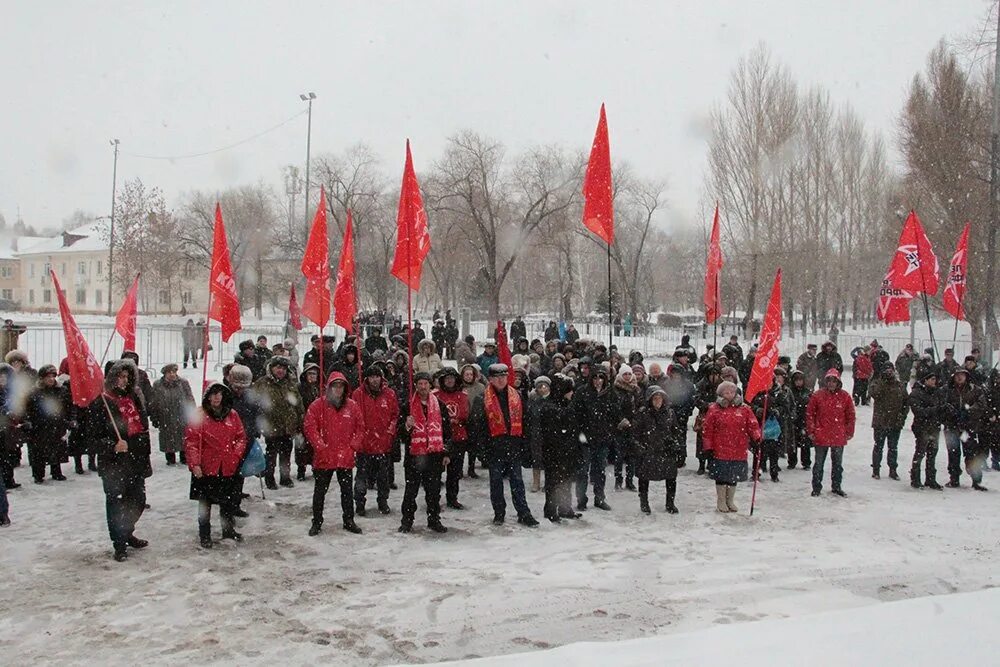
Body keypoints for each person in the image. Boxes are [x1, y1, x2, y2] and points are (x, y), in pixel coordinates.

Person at [90, 359, 153, 562]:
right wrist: (112, 445)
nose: (124, 381)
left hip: (135, 457)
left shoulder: (133, 396)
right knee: (117, 503)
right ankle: (119, 543)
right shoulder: (102, 402)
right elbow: (91, 438)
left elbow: (143, 425)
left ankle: (126, 532)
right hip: (114, 463)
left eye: (127, 376)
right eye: (120, 376)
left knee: (138, 501)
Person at [471, 364, 539, 526]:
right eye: (497, 377)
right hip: (494, 448)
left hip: (514, 446)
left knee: (517, 482)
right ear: (491, 379)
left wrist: (524, 444)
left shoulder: (516, 396)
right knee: (496, 483)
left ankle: (523, 512)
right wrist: (482, 450)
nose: (501, 380)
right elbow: (476, 427)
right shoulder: (482, 399)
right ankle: (499, 513)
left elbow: (526, 421)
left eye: (503, 377)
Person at [185, 383, 247, 548]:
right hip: (206, 466)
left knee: (227, 501)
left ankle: (228, 530)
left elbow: (241, 437)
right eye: (213, 394)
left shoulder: (232, 414)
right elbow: (192, 442)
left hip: (227, 465)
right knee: (205, 503)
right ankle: (204, 534)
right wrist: (195, 464)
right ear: (207, 396)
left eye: (219, 394)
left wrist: (235, 455)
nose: (216, 397)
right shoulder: (199, 415)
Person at [304, 372, 364, 536]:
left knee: (347, 491)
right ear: (329, 388)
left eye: (341, 386)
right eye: (335, 386)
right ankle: (317, 521)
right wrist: (320, 445)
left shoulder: (352, 406)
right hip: (325, 456)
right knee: (320, 492)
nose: (338, 389)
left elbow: (360, 427)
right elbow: (310, 427)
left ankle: (349, 520)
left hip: (345, 456)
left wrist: (353, 446)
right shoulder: (318, 406)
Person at [398, 372, 450, 534]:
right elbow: (401, 435)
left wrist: (447, 453)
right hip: (414, 455)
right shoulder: (407, 406)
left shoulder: (440, 406)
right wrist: (407, 426)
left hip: (434, 455)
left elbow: (447, 432)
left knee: (433, 491)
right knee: (410, 491)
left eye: (425, 384)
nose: (422, 387)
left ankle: (434, 519)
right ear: (416, 386)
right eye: (419, 384)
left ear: (430, 385)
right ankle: (407, 521)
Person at [702, 381, 760, 512]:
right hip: (720, 449)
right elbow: (707, 429)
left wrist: (757, 437)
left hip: (738, 448)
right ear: (721, 394)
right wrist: (708, 447)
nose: (730, 394)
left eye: (732, 392)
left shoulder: (744, 409)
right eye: (726, 392)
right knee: (722, 476)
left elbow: (753, 424)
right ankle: (721, 500)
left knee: (734, 476)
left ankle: (730, 500)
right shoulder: (714, 409)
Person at [352, 365, 399, 516]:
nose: (374, 380)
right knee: (361, 478)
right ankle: (359, 502)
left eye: (377, 377)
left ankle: (383, 501)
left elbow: (394, 415)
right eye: (371, 377)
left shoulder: (390, 394)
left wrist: (389, 432)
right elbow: (354, 418)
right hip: (364, 445)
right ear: (367, 378)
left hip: (383, 444)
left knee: (383, 478)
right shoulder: (358, 394)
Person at [572, 366, 621, 512]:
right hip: (586, 439)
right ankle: (581, 499)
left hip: (603, 438)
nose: (598, 381)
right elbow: (576, 414)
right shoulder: (582, 392)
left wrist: (610, 429)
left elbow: (616, 414)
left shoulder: (610, 393)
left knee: (600, 470)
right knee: (583, 471)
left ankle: (599, 498)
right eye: (595, 377)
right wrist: (580, 435)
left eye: (601, 377)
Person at [253, 356, 304, 490]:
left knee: (286, 453)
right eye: (278, 367)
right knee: (271, 453)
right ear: (272, 368)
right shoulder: (262, 383)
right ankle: (269, 478)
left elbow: (298, 403)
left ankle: (285, 478)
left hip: (288, 425)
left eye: (283, 368)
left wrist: (300, 420)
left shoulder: (290, 384)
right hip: (271, 425)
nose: (280, 370)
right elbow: (254, 403)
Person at [806, 369, 855, 497]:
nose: (831, 384)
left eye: (834, 381)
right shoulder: (818, 395)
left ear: (838, 382)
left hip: (838, 436)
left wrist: (849, 432)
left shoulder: (845, 397)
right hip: (821, 435)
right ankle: (816, 487)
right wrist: (811, 431)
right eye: (829, 381)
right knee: (818, 464)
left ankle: (836, 486)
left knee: (837, 465)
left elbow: (851, 415)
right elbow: (810, 414)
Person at [632, 385, 680, 514]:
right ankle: (644, 502)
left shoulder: (670, 413)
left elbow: (675, 431)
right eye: (655, 398)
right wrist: (640, 448)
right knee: (644, 478)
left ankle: (670, 503)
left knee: (671, 478)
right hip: (648, 450)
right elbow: (635, 433)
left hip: (666, 450)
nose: (658, 401)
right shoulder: (642, 413)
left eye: (660, 398)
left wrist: (675, 445)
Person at [539, 375, 581, 522]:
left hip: (566, 451)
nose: (572, 394)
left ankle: (565, 508)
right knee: (554, 482)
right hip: (555, 452)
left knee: (566, 481)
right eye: (569, 391)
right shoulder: (551, 407)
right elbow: (554, 432)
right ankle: (551, 510)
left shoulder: (564, 405)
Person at [23, 365, 69, 483]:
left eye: (53, 376)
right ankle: (38, 474)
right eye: (48, 376)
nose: (51, 379)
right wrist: (27, 421)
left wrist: (70, 420)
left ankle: (56, 471)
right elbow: (26, 409)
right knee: (39, 453)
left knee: (56, 450)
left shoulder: (61, 390)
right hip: (39, 427)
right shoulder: (34, 392)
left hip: (56, 425)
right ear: (42, 378)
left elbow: (68, 407)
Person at [433, 367, 471, 509]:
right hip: (439, 438)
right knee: (436, 472)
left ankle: (452, 497)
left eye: (452, 378)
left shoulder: (463, 395)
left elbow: (466, 415)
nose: (449, 381)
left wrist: (458, 421)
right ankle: (433, 498)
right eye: (447, 378)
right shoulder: (435, 395)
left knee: (454, 472)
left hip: (458, 437)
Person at [941, 367, 983, 488]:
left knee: (971, 452)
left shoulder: (974, 390)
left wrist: (968, 412)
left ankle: (976, 480)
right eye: (957, 375)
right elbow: (941, 406)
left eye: (962, 375)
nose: (959, 378)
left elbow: (981, 404)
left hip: (967, 428)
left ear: (966, 376)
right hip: (952, 427)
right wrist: (950, 415)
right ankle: (954, 478)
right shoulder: (946, 390)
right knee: (953, 453)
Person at [750, 368, 793, 483]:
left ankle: (774, 473)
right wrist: (758, 410)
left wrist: (777, 411)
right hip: (760, 426)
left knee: (774, 453)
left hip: (774, 428)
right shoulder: (757, 393)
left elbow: (785, 407)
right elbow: (751, 406)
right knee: (758, 451)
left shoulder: (779, 393)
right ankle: (756, 472)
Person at [150, 364, 195, 466]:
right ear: (165, 374)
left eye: (174, 372)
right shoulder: (158, 385)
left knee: (183, 436)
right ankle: (170, 458)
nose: (172, 374)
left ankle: (184, 457)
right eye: (169, 372)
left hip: (181, 415)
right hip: (166, 417)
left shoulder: (183, 383)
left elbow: (190, 399)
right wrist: (154, 417)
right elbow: (154, 402)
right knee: (167, 437)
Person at [868, 366, 908, 480]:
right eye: (887, 370)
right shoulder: (878, 383)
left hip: (895, 421)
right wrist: (882, 381)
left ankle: (893, 469)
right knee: (878, 446)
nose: (889, 373)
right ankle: (876, 469)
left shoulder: (900, 386)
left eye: (891, 370)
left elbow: (906, 403)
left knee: (893, 447)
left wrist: (902, 417)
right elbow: (874, 393)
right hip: (880, 421)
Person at [909, 368, 946, 489]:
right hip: (922, 427)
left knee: (932, 454)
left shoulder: (937, 393)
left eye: (935, 379)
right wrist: (935, 410)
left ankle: (930, 479)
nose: (934, 382)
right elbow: (918, 411)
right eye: (931, 379)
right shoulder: (916, 393)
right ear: (925, 380)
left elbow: (941, 408)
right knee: (920, 453)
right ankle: (915, 478)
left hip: (934, 427)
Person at [612, 366, 639, 491]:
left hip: (633, 426)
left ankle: (630, 480)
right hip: (620, 426)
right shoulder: (616, 389)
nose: (627, 376)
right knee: (619, 455)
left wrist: (636, 420)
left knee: (632, 456)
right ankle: (618, 481)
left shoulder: (636, 389)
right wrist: (621, 420)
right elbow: (614, 408)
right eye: (625, 374)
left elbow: (640, 405)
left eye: (629, 374)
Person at [295, 364, 322, 480]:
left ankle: (316, 468)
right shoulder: (300, 388)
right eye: (309, 374)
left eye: (314, 374)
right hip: (303, 421)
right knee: (301, 447)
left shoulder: (320, 388)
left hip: (316, 422)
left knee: (314, 446)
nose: (312, 376)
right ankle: (301, 469)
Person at [527, 376, 551, 493]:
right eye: (540, 387)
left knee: (548, 459)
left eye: (545, 386)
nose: (543, 389)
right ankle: (536, 482)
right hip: (535, 434)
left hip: (549, 434)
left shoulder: (552, 401)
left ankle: (548, 483)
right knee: (536, 459)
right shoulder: (532, 402)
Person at [788, 370, 813, 470]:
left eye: (800, 380)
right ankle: (792, 461)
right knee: (792, 443)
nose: (798, 382)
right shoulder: (790, 392)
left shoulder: (807, 392)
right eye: (796, 380)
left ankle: (806, 462)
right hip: (793, 420)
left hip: (804, 420)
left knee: (805, 443)